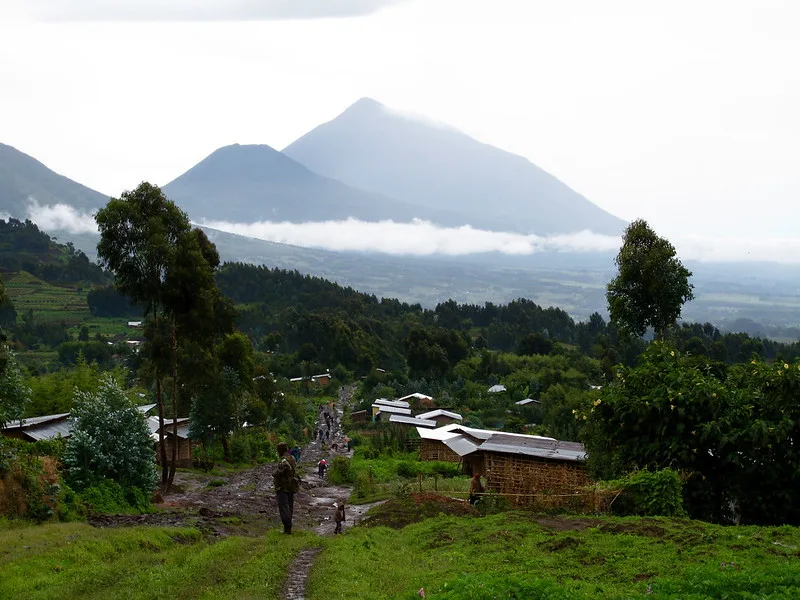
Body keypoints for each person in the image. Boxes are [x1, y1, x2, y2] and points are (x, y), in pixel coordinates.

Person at [273, 442, 300, 534]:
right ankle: (288, 527)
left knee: (284, 507)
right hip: (291, 485)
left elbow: (286, 468)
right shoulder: (291, 457)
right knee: (289, 506)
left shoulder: (283, 459)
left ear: (280, 450)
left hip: (283, 486)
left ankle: (287, 528)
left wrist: (277, 473)